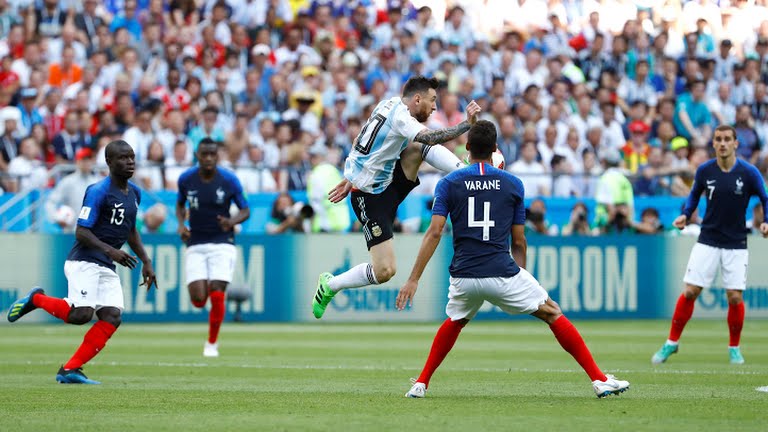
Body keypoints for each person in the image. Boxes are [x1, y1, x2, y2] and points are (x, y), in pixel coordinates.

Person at [395, 121, 630, 399]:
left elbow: (434, 232)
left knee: (456, 320)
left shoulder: (448, 183)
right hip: (501, 272)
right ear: (496, 148)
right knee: (552, 312)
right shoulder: (513, 184)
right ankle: (600, 380)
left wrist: (413, 279)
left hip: (463, 275)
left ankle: (421, 383)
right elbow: (519, 241)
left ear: (467, 147)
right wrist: (520, 279)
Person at [312, 75, 481, 319]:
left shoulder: (387, 104)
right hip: (370, 198)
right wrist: (466, 124)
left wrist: (351, 175)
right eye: (433, 100)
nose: (435, 107)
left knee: (416, 149)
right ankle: (330, 285)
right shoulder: (401, 116)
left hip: (387, 180)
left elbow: (362, 142)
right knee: (385, 271)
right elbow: (430, 137)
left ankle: (465, 172)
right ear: (417, 99)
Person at [7, 140, 156, 384]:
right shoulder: (98, 191)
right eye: (123, 158)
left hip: (106, 263)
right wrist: (111, 251)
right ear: (109, 162)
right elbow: (81, 232)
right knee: (81, 314)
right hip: (84, 260)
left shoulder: (135, 193)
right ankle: (36, 299)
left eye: (131, 157)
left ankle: (70, 369)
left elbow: (130, 231)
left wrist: (146, 261)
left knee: (112, 316)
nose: (130, 162)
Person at [652, 125, 768, 366]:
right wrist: (686, 215)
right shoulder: (705, 170)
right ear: (713, 144)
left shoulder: (749, 172)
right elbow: (694, 195)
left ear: (735, 143)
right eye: (718, 139)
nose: (722, 143)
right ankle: (672, 342)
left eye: (727, 139)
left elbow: (765, 198)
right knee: (690, 291)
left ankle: (734, 348)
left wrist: (766, 220)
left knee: (734, 297)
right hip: (708, 239)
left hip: (736, 242)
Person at [176, 138, 250, 357]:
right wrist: (181, 225)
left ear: (217, 156)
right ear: (197, 156)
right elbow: (179, 204)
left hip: (222, 242)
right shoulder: (186, 179)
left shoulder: (229, 180)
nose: (208, 158)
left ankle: (211, 344)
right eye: (204, 154)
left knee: (217, 293)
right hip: (196, 242)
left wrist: (231, 221)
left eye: (212, 154)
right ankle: (206, 288)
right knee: (199, 300)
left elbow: (246, 210)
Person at [45, 147, 101, 232]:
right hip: (72, 231)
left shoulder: (97, 182)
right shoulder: (68, 182)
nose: (86, 163)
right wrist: (57, 218)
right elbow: (51, 202)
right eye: (83, 160)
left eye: (89, 159)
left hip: (93, 233)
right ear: (77, 162)